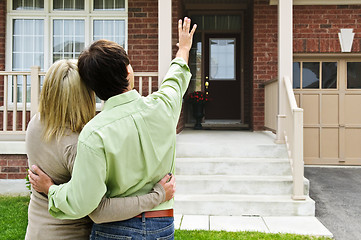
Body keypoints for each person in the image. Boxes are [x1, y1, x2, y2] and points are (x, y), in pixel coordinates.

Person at [29, 17, 196, 239]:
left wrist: (50, 189)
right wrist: (184, 47)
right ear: (128, 71)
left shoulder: (93, 134)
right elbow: (176, 77)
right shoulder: (163, 107)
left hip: (114, 230)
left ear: (94, 89)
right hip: (161, 226)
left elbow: (84, 202)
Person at [25, 59, 175, 240]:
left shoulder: (36, 123)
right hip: (71, 234)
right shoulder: (77, 145)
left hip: (36, 230)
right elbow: (100, 210)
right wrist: (157, 196)